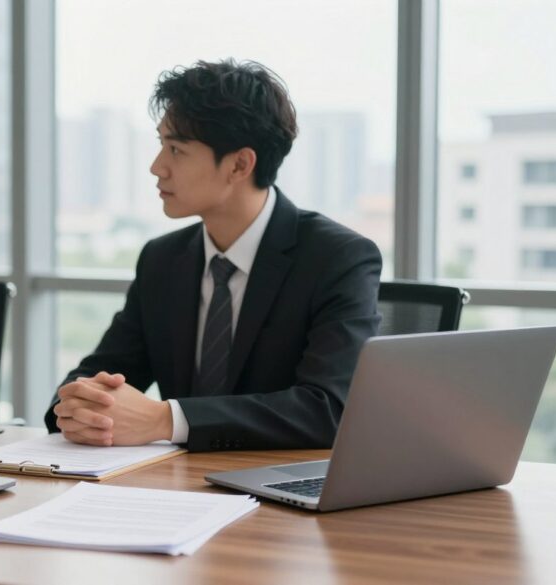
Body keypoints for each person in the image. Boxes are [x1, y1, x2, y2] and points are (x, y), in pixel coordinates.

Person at [46, 59, 382, 451]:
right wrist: (78, 406)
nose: (157, 167)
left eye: (176, 149)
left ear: (240, 164)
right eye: (160, 145)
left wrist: (165, 419)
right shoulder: (162, 259)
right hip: (177, 487)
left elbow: (327, 409)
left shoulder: (337, 258)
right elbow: (101, 374)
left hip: (280, 491)